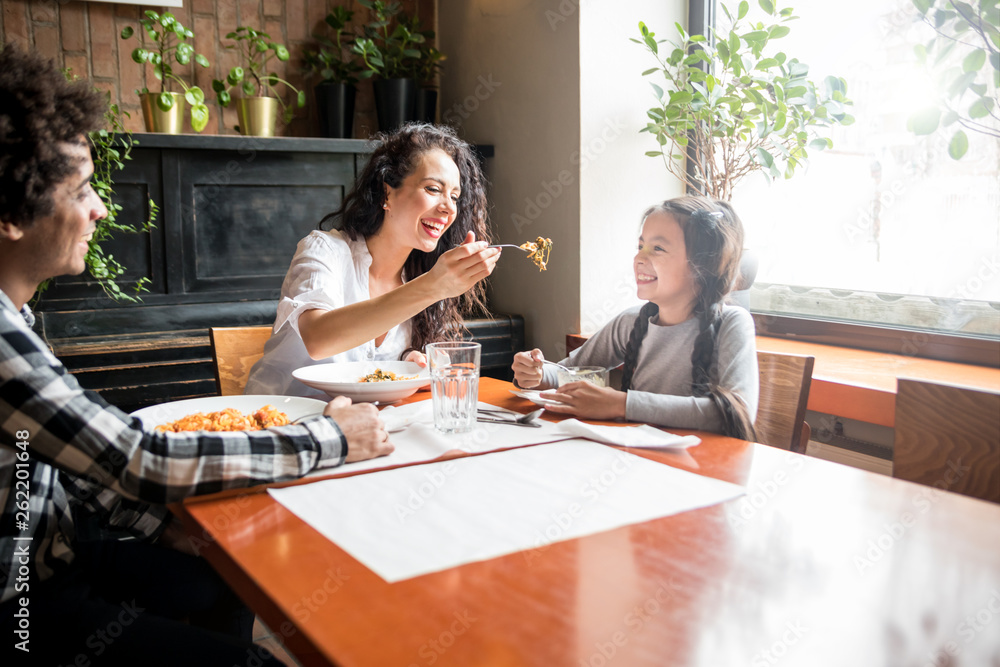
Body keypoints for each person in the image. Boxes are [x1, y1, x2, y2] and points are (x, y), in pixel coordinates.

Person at [0, 45, 393, 665]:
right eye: (81, 191)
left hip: (56, 559)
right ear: (9, 216)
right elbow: (138, 456)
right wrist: (330, 437)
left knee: (228, 578)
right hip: (20, 607)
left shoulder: (15, 316)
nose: (101, 208)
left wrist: (167, 529)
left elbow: (77, 464)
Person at [245, 123, 501, 398]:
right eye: (432, 189)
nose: (449, 208)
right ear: (387, 192)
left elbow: (367, 370)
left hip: (361, 429)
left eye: (454, 196)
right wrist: (434, 286)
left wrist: (407, 362)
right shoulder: (324, 250)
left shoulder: (416, 277)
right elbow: (318, 339)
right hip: (284, 426)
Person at [512, 196, 759, 439]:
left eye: (658, 248)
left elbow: (737, 412)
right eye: (641, 247)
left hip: (699, 470)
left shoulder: (732, 323)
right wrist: (538, 373)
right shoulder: (630, 323)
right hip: (636, 461)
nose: (639, 259)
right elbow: (566, 374)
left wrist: (622, 405)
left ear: (704, 265)